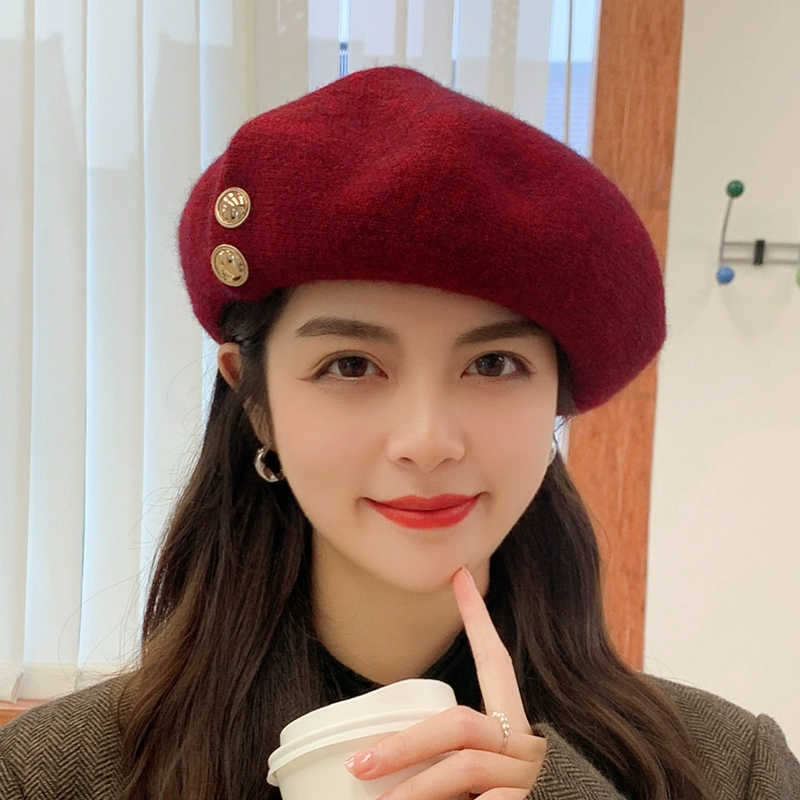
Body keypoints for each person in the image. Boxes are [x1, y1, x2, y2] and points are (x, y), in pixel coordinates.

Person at [0, 66, 797, 800]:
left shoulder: (730, 769)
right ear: (256, 402)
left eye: (493, 365)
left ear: (556, 399)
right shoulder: (53, 775)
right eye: (351, 365)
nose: (427, 440)